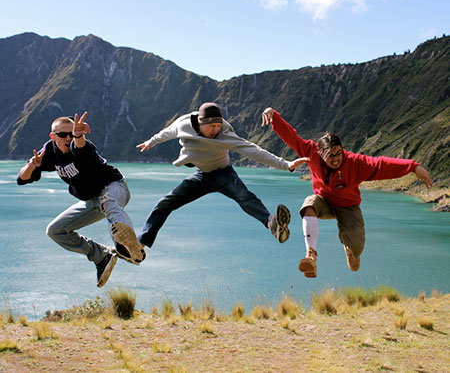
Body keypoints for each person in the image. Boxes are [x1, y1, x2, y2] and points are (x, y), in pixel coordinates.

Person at [261, 107, 433, 278]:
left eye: (338, 153)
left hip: (348, 207)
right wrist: (274, 117)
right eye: (330, 156)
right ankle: (311, 255)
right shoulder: (311, 153)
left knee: (357, 248)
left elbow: (381, 165)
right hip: (324, 202)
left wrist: (413, 167)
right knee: (308, 205)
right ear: (320, 154)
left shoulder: (355, 163)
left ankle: (350, 249)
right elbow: (292, 137)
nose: (336, 159)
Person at [136, 102, 307, 250]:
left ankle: (272, 223)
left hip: (223, 173)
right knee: (165, 203)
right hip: (201, 176)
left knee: (245, 197)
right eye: (211, 126)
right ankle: (141, 244)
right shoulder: (184, 124)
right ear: (201, 123)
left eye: (218, 126)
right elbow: (167, 132)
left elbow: (253, 150)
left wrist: (286, 164)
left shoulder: (225, 133)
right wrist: (151, 142)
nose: (215, 130)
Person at [17, 112, 145, 288]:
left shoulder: (82, 146)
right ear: (53, 137)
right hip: (91, 201)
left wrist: (79, 135)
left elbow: (81, 148)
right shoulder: (49, 152)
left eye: (71, 133)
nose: (68, 137)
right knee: (55, 231)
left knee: (109, 204)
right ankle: (100, 255)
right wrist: (31, 165)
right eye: (63, 134)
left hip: (114, 187)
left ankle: (125, 245)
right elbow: (22, 179)